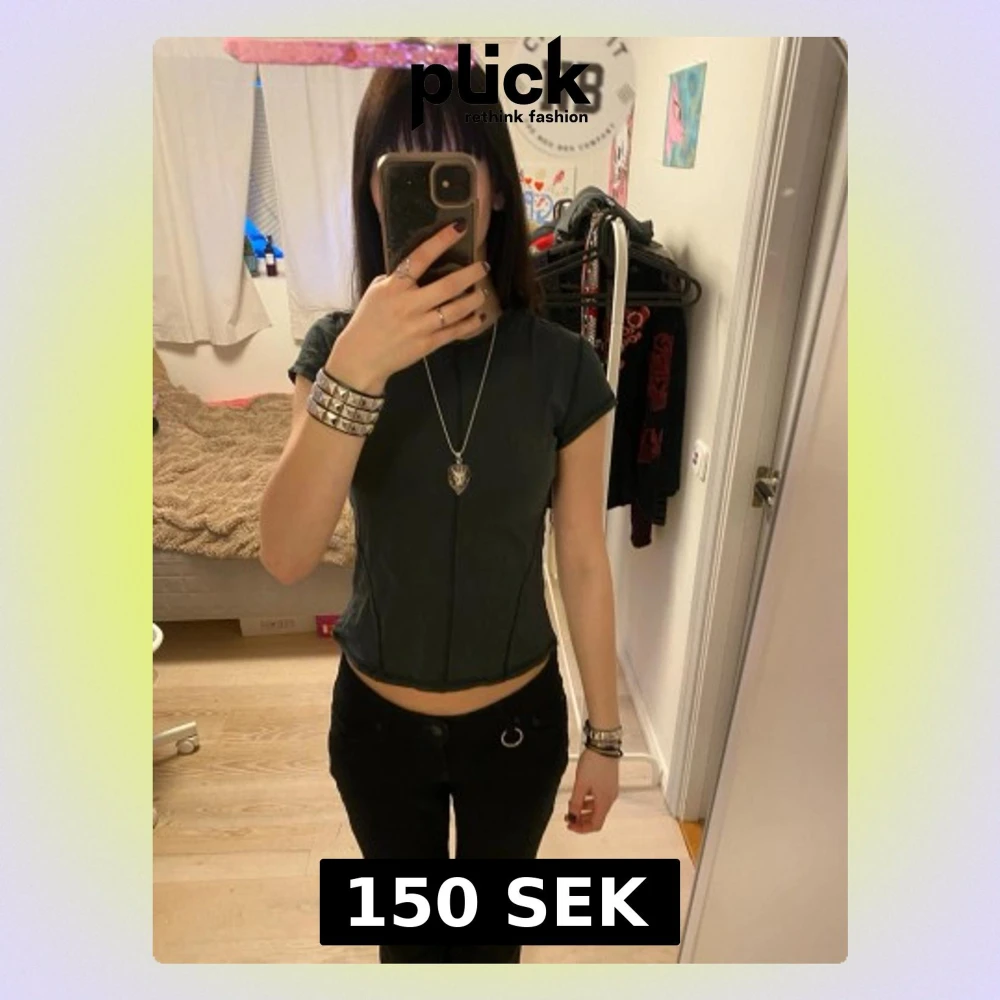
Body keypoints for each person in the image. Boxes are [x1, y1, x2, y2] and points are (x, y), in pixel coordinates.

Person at [259, 64, 623, 964]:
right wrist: (358, 366)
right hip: (377, 729)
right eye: (402, 171)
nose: (434, 203)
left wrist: (606, 736)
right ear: (373, 196)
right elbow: (286, 555)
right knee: (410, 953)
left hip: (517, 727)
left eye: (454, 170)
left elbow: (583, 558)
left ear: (495, 190)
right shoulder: (334, 351)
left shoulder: (563, 367)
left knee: (490, 950)